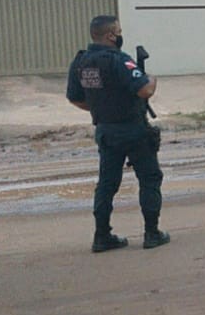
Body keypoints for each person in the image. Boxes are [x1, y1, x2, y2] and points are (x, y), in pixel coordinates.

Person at [66, 15, 171, 253]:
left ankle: (102, 236)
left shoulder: (81, 62)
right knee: (149, 178)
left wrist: (101, 109)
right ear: (111, 35)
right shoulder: (119, 60)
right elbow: (144, 90)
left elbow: (74, 97)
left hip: (105, 131)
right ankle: (152, 233)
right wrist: (152, 80)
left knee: (106, 184)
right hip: (133, 130)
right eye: (119, 31)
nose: (120, 35)